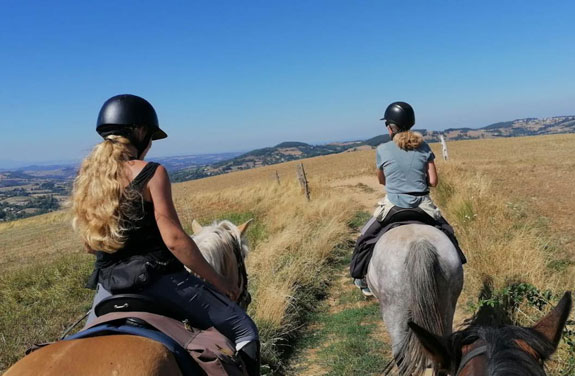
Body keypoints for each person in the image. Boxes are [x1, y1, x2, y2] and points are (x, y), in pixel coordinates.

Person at [71, 94, 260, 374]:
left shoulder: (89, 179)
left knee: (78, 348)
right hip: (159, 280)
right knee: (244, 329)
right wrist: (220, 282)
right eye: (150, 138)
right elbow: (174, 240)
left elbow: (90, 244)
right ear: (140, 132)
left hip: (107, 287)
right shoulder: (151, 172)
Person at [350, 101, 465, 296]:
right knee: (449, 234)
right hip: (423, 205)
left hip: (393, 205)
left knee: (364, 237)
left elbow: (381, 181)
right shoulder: (425, 147)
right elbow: (434, 181)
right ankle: (458, 267)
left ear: (391, 127)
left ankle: (360, 277)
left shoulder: (383, 149)